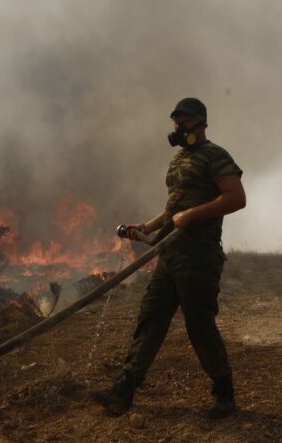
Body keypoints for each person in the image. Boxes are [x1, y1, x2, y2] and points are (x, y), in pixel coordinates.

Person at [89, 98, 246, 419]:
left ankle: (224, 395)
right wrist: (146, 226)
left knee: (199, 326)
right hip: (170, 254)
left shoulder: (215, 155)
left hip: (199, 256)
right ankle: (124, 390)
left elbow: (236, 198)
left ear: (202, 123)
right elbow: (174, 208)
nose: (179, 126)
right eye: (176, 120)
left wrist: (192, 214)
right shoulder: (178, 160)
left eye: (185, 120)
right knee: (151, 319)